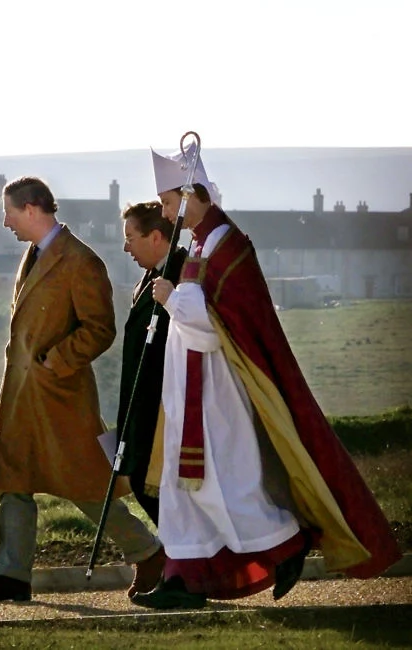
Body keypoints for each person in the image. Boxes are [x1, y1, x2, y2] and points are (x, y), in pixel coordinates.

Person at [132, 144, 401, 609]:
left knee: (226, 484)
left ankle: (286, 544)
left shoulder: (227, 244)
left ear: (193, 193)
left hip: (217, 387)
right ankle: (183, 578)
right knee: (184, 485)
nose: (166, 212)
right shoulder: (199, 241)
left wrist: (172, 298)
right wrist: (175, 300)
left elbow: (221, 321)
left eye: (170, 202)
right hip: (187, 385)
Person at [0, 176, 165, 604]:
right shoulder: (33, 255)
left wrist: (57, 359)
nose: (4, 222)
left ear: (32, 209)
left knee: (86, 484)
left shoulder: (80, 261)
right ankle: (12, 575)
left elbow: (100, 328)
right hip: (21, 393)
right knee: (13, 479)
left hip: (61, 396)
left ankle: (149, 553)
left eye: (10, 212)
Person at [116, 201, 188, 526]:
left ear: (155, 237)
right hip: (139, 399)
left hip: (165, 405)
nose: (125, 246)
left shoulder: (183, 275)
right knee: (137, 478)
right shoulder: (146, 279)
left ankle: (185, 564)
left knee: (153, 485)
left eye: (131, 237)